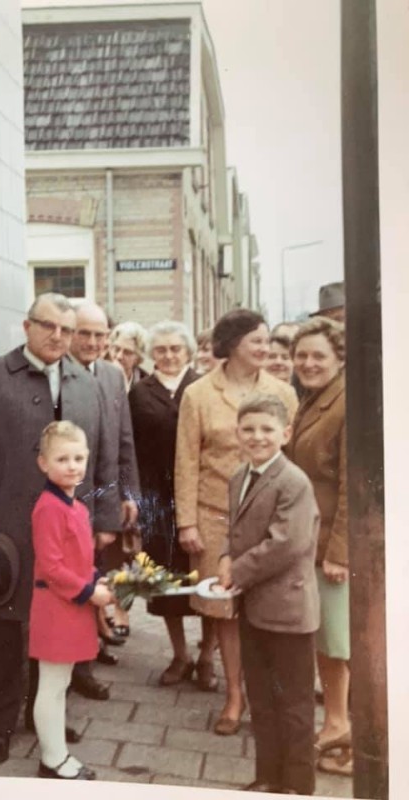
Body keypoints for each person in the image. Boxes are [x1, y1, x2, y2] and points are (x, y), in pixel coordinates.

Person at [0, 292, 121, 765]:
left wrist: (104, 519)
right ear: (26, 326)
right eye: (48, 326)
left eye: (67, 330)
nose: (58, 337)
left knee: (57, 625)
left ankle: (44, 716)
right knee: (5, 627)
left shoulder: (85, 383)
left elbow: (104, 456)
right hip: (7, 528)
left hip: (67, 530)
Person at [175, 309, 298, 735]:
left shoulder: (283, 392)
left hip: (269, 518)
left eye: (267, 340)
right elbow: (186, 459)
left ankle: (267, 695)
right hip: (215, 516)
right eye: (256, 341)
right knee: (225, 610)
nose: (266, 348)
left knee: (267, 607)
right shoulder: (198, 393)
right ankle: (234, 697)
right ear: (232, 345)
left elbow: (292, 459)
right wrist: (186, 522)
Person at [218, 394, 320, 795]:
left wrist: (236, 571)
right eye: (248, 429)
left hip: (287, 610)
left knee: (293, 704)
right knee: (261, 698)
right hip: (253, 606)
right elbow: (236, 531)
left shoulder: (294, 482)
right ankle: (268, 778)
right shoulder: (239, 476)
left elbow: (287, 543)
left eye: (266, 429)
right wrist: (225, 557)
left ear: (286, 433)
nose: (257, 436)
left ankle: (297, 785)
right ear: (237, 433)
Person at [128, 321, 217, 689]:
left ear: (188, 351)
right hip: (159, 500)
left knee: (207, 577)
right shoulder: (139, 393)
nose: (168, 355)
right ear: (152, 353)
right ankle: (180, 654)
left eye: (175, 349)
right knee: (166, 581)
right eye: (161, 349)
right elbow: (132, 447)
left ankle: (208, 655)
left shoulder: (204, 386)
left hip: (201, 496)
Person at [30, 421, 114, 780]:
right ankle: (53, 759)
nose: (72, 466)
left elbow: (79, 558)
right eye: (62, 459)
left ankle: (56, 752)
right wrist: (89, 592)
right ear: (43, 463)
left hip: (71, 605)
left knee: (60, 683)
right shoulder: (49, 507)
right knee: (51, 685)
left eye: (78, 458)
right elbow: (51, 566)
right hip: (56, 608)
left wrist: (96, 579)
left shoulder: (75, 506)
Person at [287, 316, 352, 777]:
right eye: (301, 355)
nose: (308, 363)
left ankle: (342, 726)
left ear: (340, 359)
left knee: (337, 641)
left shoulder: (345, 404)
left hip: (330, 547)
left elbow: (352, 485)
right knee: (327, 639)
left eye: (318, 356)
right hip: (311, 540)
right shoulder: (315, 398)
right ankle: (338, 722)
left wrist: (340, 553)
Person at [69, 301, 140, 660]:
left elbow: (124, 439)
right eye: (84, 333)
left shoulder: (112, 375)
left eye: (100, 335)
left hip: (106, 494)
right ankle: (84, 650)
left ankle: (95, 639)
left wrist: (128, 494)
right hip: (71, 496)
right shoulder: (59, 373)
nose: (93, 342)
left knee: (99, 568)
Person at [107, 321, 149, 391]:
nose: (119, 356)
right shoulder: (97, 375)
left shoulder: (146, 384)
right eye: (116, 349)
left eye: (127, 352)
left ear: (137, 358)